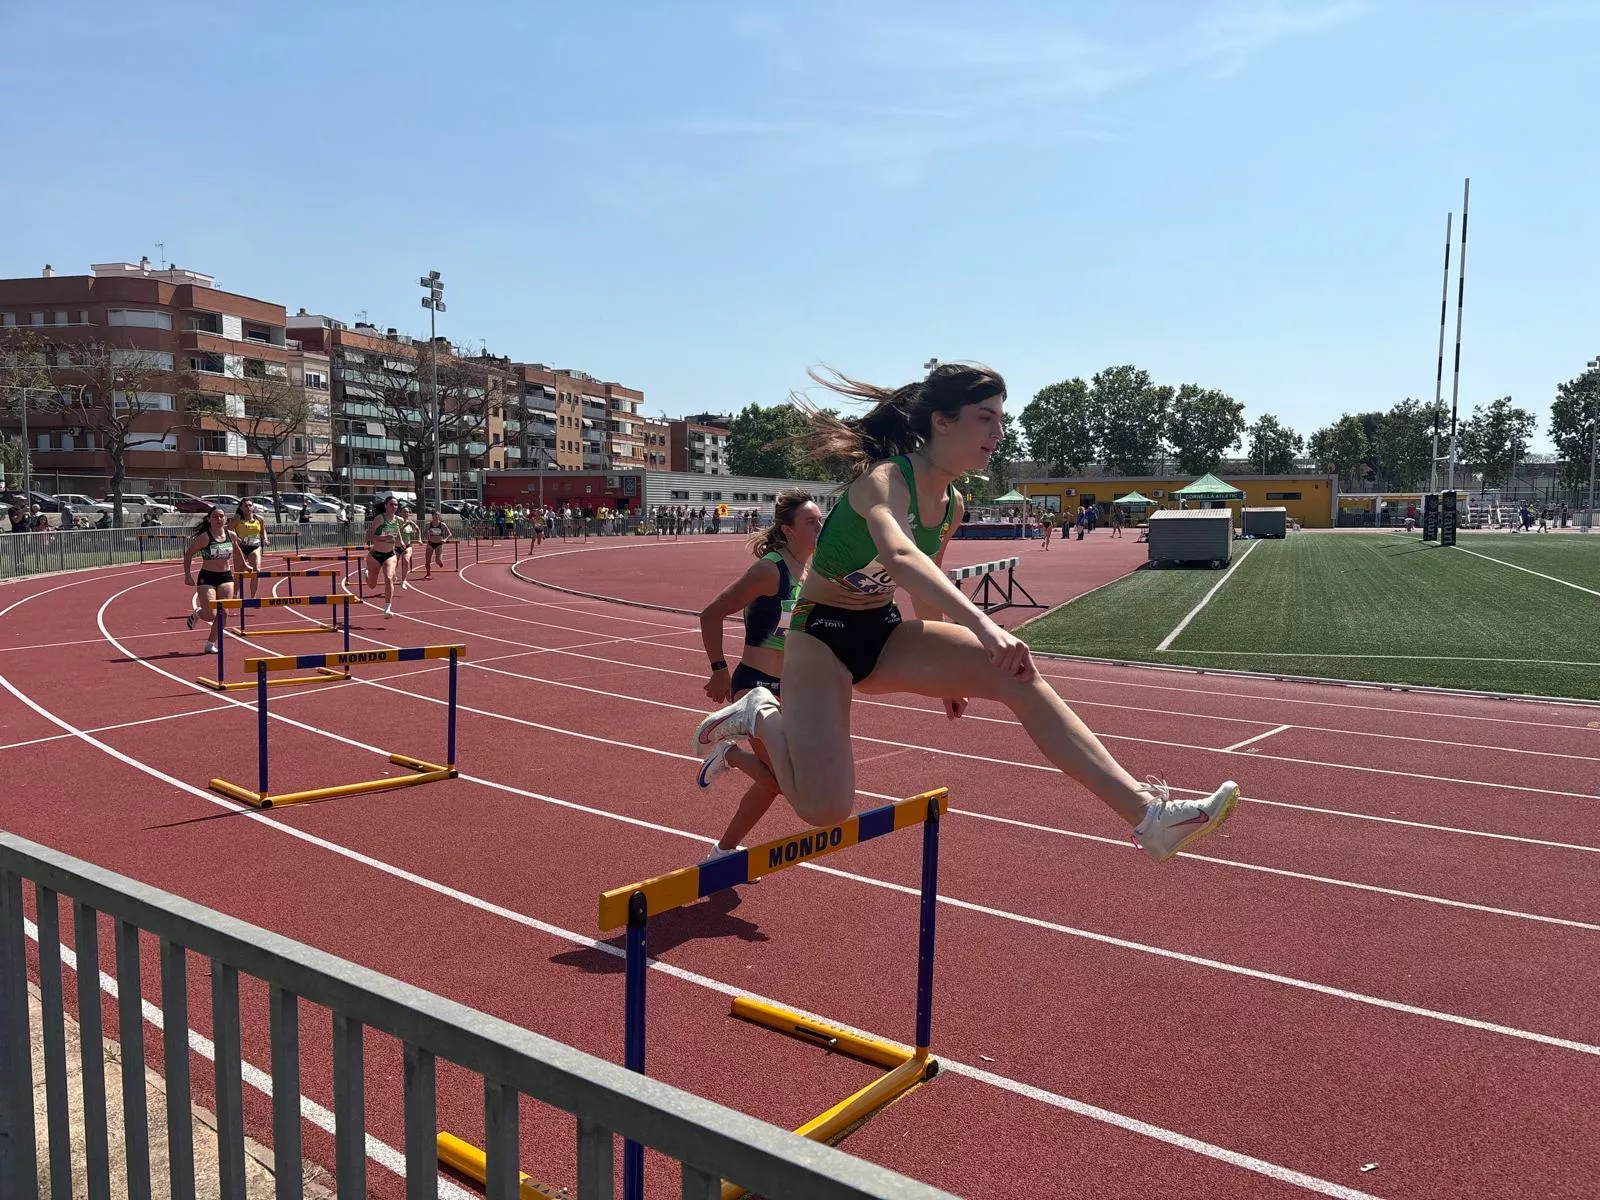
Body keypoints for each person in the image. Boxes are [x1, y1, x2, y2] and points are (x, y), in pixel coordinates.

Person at [692, 363, 1238, 862]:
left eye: (1001, 419)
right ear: (942, 422)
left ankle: (1148, 816)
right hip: (820, 638)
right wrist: (982, 624)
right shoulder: (885, 481)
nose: (998, 433)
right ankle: (761, 711)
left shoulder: (951, 503)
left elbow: (924, 588)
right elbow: (901, 557)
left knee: (1017, 674)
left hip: (881, 634)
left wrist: (951, 663)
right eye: (986, 418)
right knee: (826, 810)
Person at [694, 490, 824, 859]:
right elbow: (711, 614)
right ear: (788, 530)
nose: (820, 527)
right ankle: (730, 755)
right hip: (754, 687)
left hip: (788, 689)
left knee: (774, 783)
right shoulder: (770, 570)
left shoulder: (809, 571)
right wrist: (719, 670)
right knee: (781, 780)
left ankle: (722, 852)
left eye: (821, 520)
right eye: (811, 522)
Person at [182, 506, 237, 655]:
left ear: (225, 519)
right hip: (207, 577)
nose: (218, 519)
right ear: (209, 519)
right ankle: (199, 613)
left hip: (225, 576)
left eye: (221, 516)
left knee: (224, 613)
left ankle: (210, 643)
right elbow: (188, 555)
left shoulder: (231, 535)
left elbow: (237, 553)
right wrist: (187, 575)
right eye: (215, 517)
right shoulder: (205, 537)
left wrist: (245, 565)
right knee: (211, 614)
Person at [365, 495, 404, 617]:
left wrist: (401, 542)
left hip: (390, 554)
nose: (394, 507)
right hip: (375, 555)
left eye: (396, 505)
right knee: (372, 585)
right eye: (391, 504)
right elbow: (369, 537)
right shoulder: (380, 519)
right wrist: (383, 537)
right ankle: (367, 575)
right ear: (385, 506)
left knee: (388, 578)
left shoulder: (398, 520)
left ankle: (387, 609)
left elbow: (396, 533)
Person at [228, 497, 269, 599]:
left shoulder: (259, 519)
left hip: (255, 546)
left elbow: (263, 531)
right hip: (240, 547)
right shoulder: (238, 518)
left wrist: (265, 539)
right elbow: (229, 529)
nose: (248, 508)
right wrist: (236, 538)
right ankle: (235, 594)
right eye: (246, 506)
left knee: (256, 570)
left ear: (253, 507)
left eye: (250, 505)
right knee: (239, 572)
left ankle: (253, 597)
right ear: (241, 508)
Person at [396, 504, 421, 591]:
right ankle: (393, 577)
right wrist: (405, 524)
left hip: (407, 546)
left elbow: (418, 529)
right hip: (398, 546)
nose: (405, 513)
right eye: (404, 512)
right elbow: (398, 531)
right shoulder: (398, 521)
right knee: (394, 564)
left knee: (406, 561)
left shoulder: (410, 523)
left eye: (407, 512)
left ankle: (403, 581)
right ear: (401, 513)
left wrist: (419, 539)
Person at [422, 509, 451, 579]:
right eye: (435, 515)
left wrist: (445, 539)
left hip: (439, 544)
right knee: (427, 560)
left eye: (438, 515)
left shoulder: (442, 525)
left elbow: (449, 534)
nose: (437, 516)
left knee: (438, 561)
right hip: (430, 543)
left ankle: (439, 561)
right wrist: (426, 536)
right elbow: (424, 533)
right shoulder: (429, 524)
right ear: (432, 516)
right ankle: (428, 573)